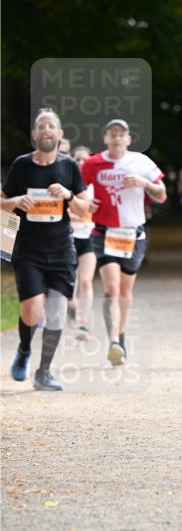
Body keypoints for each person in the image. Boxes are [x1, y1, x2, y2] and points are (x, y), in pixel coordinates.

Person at [1, 108, 88, 390]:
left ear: (60, 134)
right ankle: (25, 349)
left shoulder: (69, 167)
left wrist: (69, 195)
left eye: (52, 126)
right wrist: (16, 200)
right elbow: (2, 202)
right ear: (34, 134)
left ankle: (44, 372)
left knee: (58, 312)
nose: (47, 130)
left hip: (62, 249)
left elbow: (85, 209)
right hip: (28, 250)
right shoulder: (21, 165)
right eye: (42, 126)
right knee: (33, 312)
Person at [82, 119, 167, 366]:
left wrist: (144, 183)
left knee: (125, 291)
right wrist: (86, 201)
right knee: (111, 287)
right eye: (112, 134)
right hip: (104, 232)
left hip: (132, 235)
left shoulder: (140, 162)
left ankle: (120, 334)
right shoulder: (92, 163)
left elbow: (161, 194)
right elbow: (79, 191)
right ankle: (113, 343)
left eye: (122, 134)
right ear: (106, 139)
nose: (117, 138)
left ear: (128, 140)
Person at [69, 145, 96, 340]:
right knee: (71, 283)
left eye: (84, 159)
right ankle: (71, 314)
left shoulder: (95, 185)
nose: (80, 163)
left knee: (86, 281)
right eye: (77, 159)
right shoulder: (65, 183)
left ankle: (84, 323)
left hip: (89, 238)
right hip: (67, 239)